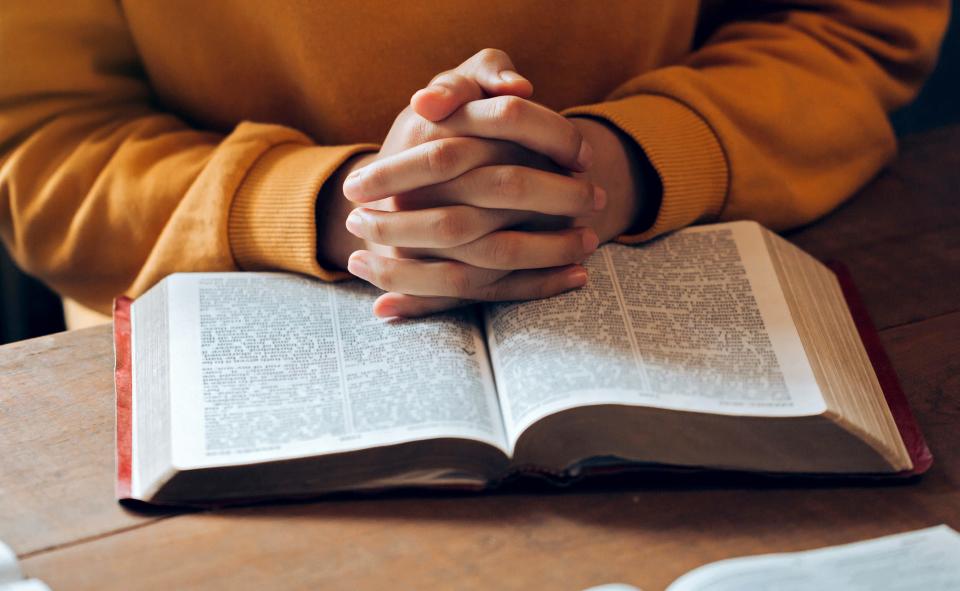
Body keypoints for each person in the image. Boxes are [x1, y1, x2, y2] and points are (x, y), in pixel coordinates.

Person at [0, 1, 948, 323]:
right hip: (204, 315)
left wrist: (625, 161)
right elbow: (37, 143)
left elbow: (847, 30)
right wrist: (340, 205)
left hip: (660, 268)